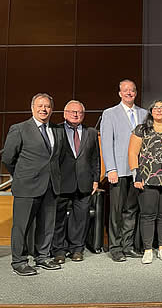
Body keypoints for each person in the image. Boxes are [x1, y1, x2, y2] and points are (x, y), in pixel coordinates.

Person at [2, 93, 65, 276]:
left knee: (46, 225)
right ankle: (19, 261)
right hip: (27, 186)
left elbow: (57, 158)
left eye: (47, 106)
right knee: (22, 226)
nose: (43, 109)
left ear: (51, 109)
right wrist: (21, 175)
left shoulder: (57, 130)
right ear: (32, 108)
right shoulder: (19, 129)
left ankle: (42, 257)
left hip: (51, 185)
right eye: (40, 106)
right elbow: (8, 157)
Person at [100, 79, 147, 262]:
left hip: (136, 171)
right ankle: (116, 247)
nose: (129, 93)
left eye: (132, 90)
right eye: (125, 90)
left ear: (136, 93)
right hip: (118, 170)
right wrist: (110, 168)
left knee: (131, 209)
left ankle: (128, 246)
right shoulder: (110, 114)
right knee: (117, 211)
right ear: (119, 93)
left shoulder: (144, 114)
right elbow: (106, 142)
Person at [128, 100, 162, 264]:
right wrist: (137, 175)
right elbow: (133, 153)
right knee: (148, 215)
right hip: (147, 179)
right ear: (150, 112)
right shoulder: (142, 130)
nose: (158, 110)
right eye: (155, 108)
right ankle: (148, 249)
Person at [52, 100, 100, 264]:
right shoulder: (55, 130)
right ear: (64, 113)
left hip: (84, 183)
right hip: (61, 183)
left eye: (79, 112)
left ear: (83, 115)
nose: (75, 114)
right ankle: (58, 250)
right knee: (58, 219)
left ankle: (77, 249)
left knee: (80, 218)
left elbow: (95, 159)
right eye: (72, 112)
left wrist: (95, 180)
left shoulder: (91, 132)